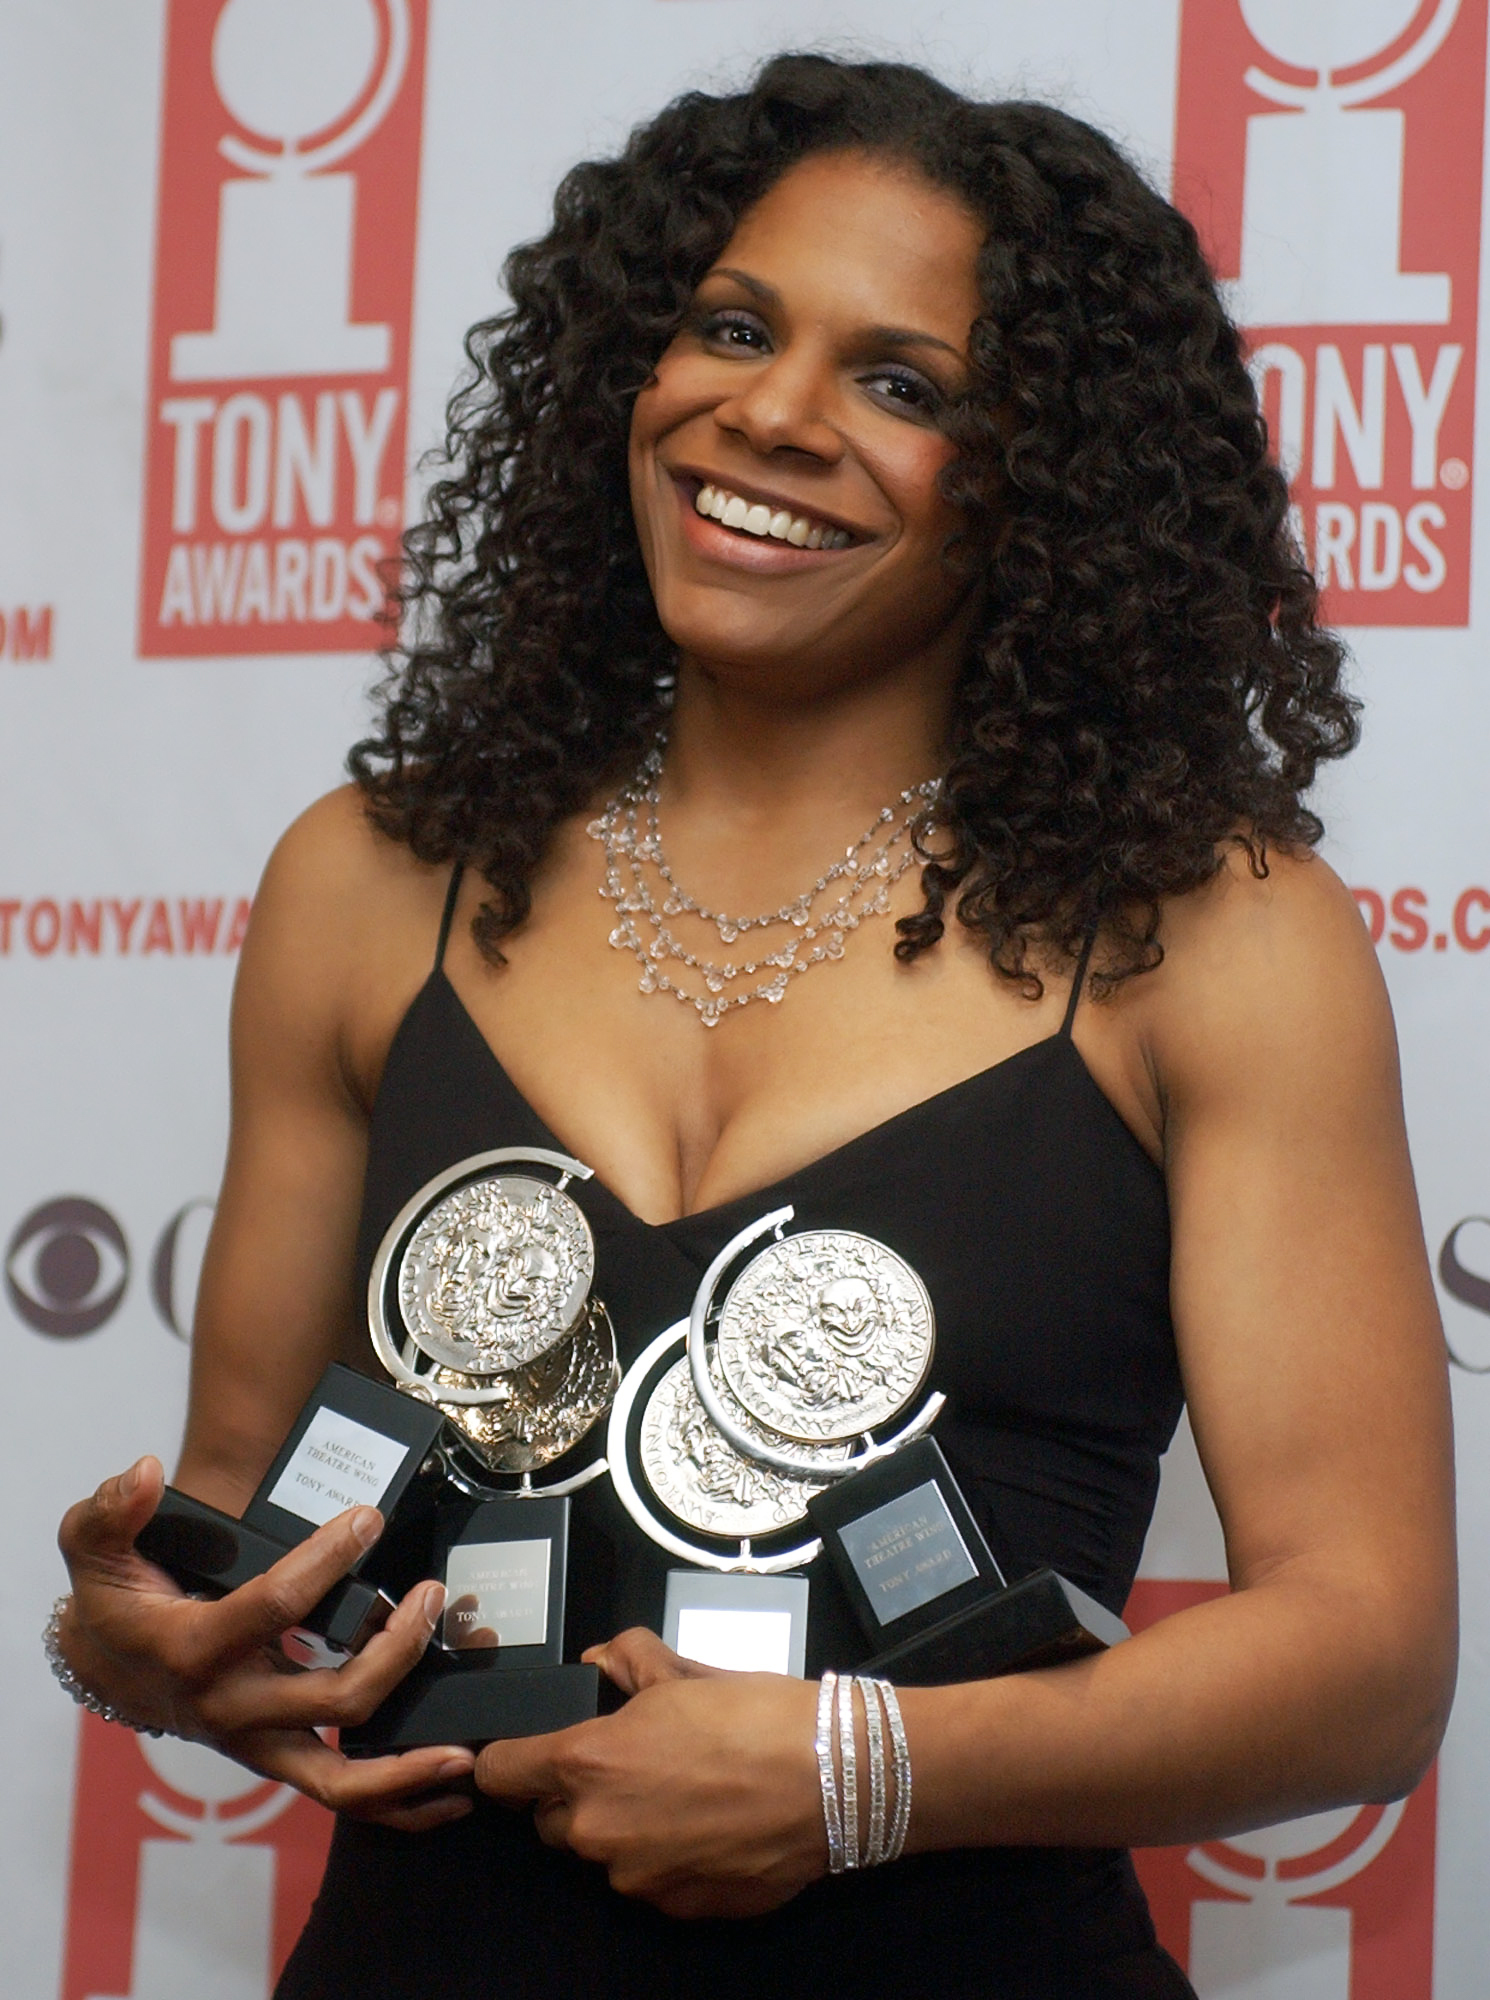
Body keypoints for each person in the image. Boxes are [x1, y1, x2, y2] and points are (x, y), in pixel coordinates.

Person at [51, 53, 1455, 2000]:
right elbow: (244, 1518)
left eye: (902, 382)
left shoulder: (1200, 934)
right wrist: (141, 1635)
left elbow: (1368, 1660)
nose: (773, 415)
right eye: (730, 327)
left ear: (1032, 483)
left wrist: (862, 1772)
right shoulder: (372, 883)